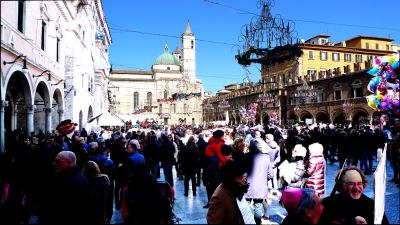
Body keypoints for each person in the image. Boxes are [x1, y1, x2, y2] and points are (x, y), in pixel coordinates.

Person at [320, 166, 389, 224]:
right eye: (351, 184)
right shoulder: (329, 203)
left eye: (359, 183)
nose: (356, 188)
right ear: (341, 185)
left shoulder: (370, 204)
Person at [207, 160, 255, 224]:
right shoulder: (219, 197)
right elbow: (213, 221)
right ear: (231, 179)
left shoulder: (236, 188)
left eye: (244, 176)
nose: (244, 180)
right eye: (240, 178)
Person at [244, 139, 273, 224]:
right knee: (258, 206)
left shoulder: (245, 156)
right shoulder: (266, 157)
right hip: (260, 186)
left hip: (247, 185)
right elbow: (270, 174)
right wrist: (264, 179)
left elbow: (243, 172)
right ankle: (257, 223)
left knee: (247, 206)